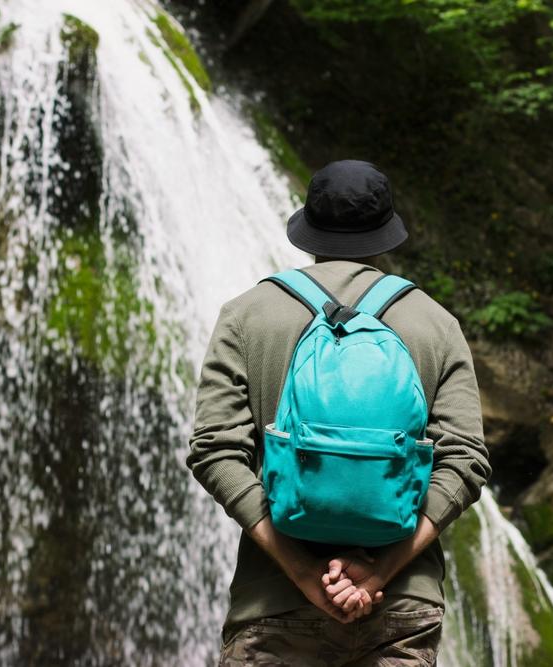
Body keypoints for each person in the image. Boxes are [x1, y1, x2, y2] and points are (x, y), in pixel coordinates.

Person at [186, 159, 491, 665]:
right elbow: (466, 463)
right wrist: (379, 572)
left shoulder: (246, 315)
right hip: (400, 607)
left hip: (276, 605)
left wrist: (303, 573)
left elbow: (215, 451)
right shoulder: (436, 324)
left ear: (307, 230)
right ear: (386, 234)